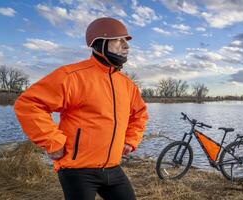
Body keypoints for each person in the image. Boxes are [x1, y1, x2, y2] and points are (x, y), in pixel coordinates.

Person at [14, 17, 148, 200]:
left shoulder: (127, 85)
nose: (126, 46)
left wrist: (131, 139)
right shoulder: (71, 76)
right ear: (99, 42)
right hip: (77, 169)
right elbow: (29, 104)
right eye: (119, 40)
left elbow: (139, 114)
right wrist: (52, 141)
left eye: (126, 41)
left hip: (112, 167)